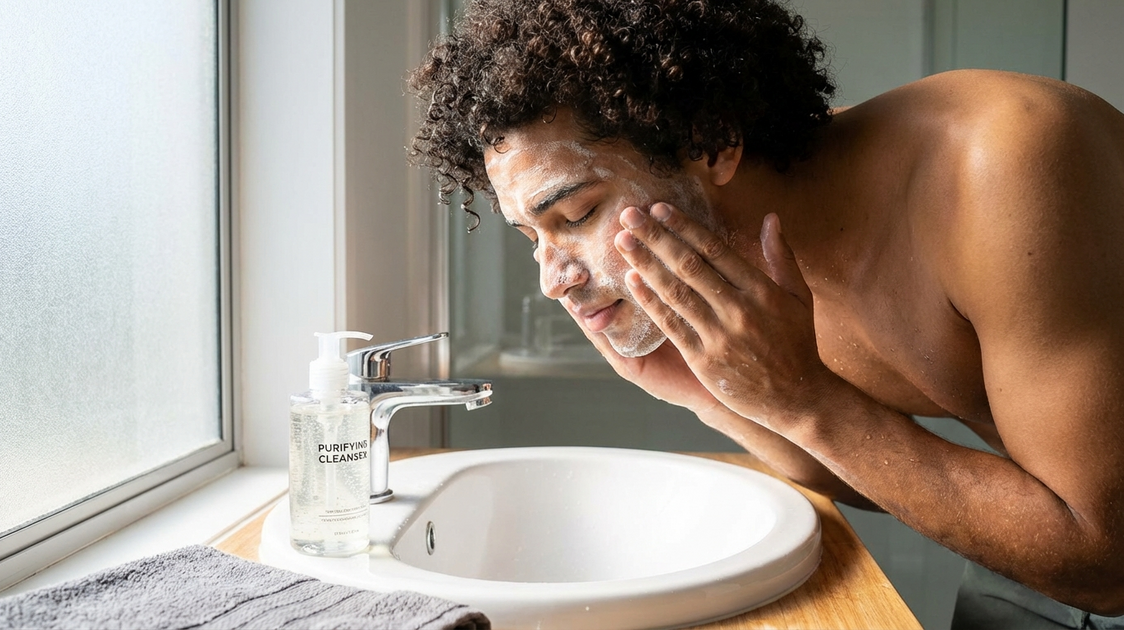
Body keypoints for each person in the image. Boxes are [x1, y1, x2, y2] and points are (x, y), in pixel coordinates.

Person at [407, 0, 1124, 626]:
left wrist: (806, 399)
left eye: (578, 212)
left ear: (712, 142)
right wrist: (703, 390)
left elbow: (1107, 563)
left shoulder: (1006, 164)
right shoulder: (760, 270)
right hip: (1035, 555)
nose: (554, 280)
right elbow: (884, 476)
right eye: (532, 237)